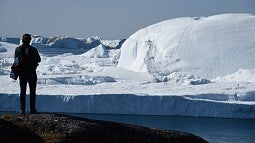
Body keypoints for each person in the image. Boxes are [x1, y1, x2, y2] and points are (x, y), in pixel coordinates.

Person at [14, 33, 41, 114]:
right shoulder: (33, 49)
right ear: (30, 40)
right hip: (31, 73)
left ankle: (22, 110)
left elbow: (15, 61)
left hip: (22, 73)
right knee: (32, 92)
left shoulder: (17, 49)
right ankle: (32, 110)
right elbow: (39, 59)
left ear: (22, 40)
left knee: (22, 92)